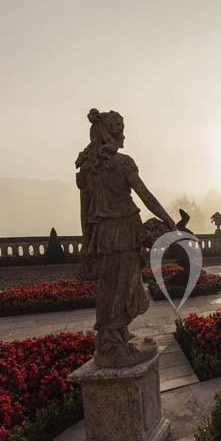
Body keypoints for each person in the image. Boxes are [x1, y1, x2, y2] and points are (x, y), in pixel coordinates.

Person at [76, 108, 177, 367]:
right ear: (112, 132)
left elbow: (85, 211)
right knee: (125, 286)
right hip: (125, 233)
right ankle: (113, 347)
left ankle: (113, 337)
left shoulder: (88, 167)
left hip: (103, 236)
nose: (124, 134)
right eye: (121, 129)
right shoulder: (123, 163)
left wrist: (87, 246)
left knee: (110, 286)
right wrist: (169, 221)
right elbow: (146, 196)